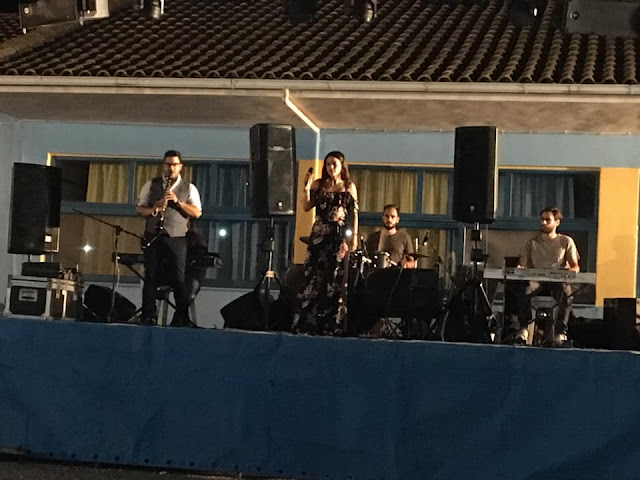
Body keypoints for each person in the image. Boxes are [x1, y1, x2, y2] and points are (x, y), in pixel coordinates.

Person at [293, 151, 359, 336]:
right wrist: (306, 187)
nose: (331, 167)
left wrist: (354, 236)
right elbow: (306, 206)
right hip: (319, 236)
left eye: (334, 164)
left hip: (338, 237)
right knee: (313, 276)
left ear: (341, 166)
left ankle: (331, 324)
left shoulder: (348, 186)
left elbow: (354, 213)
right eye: (328, 164)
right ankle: (308, 322)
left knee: (334, 277)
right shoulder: (319, 184)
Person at [136, 150, 202, 327]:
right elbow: (140, 209)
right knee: (150, 276)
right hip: (153, 236)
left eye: (174, 165)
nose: (170, 168)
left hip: (177, 237)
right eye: (167, 164)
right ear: (163, 166)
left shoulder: (189, 188)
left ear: (180, 167)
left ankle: (181, 317)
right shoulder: (151, 184)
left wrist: (178, 203)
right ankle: (148, 315)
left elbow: (197, 212)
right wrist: (154, 209)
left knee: (179, 278)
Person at [512, 206, 580, 345]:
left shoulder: (566, 241)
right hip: (536, 281)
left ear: (557, 222)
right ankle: (524, 329)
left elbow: (575, 266)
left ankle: (560, 332)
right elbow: (522, 265)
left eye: (547, 220)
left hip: (557, 281)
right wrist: (520, 269)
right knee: (524, 290)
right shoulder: (531, 242)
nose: (543, 222)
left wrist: (570, 271)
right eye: (542, 219)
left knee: (566, 293)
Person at [365, 204, 415, 268]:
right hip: (375, 272)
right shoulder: (373, 237)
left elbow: (411, 261)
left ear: (397, 219)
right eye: (387, 216)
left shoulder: (404, 237)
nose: (389, 220)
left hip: (396, 272)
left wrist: (406, 265)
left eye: (392, 217)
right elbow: (366, 257)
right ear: (383, 218)